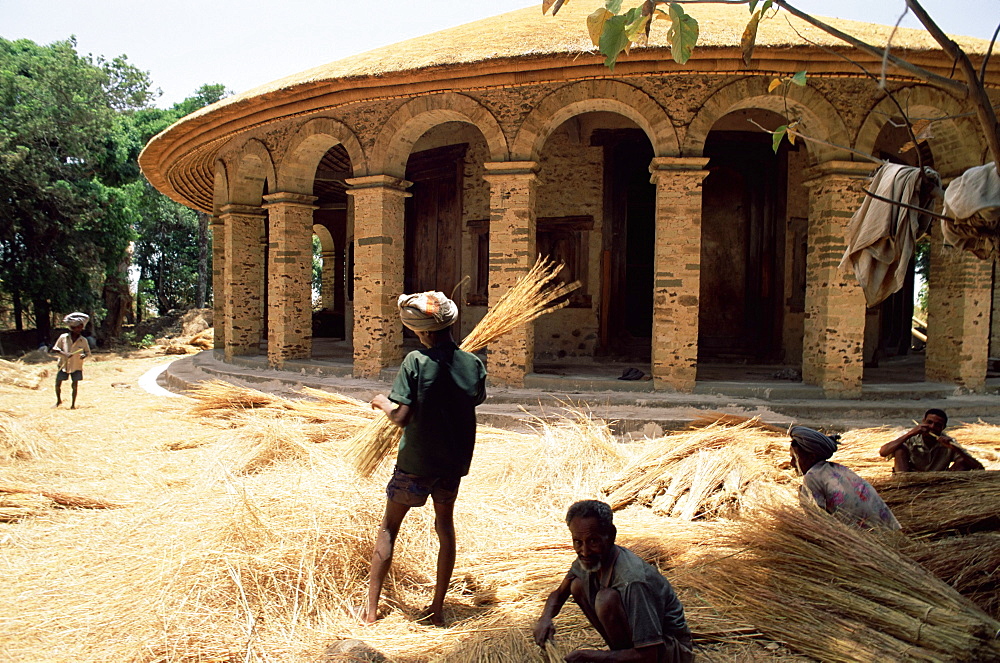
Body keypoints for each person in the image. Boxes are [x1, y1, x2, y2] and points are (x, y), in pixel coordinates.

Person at [363, 291, 486, 627]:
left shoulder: (416, 361)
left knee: (389, 527)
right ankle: (437, 609)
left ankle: (371, 612)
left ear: (421, 332)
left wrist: (380, 401)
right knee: (445, 527)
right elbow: (472, 398)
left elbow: (402, 416)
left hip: (416, 462)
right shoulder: (473, 363)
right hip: (452, 464)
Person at [534, 500, 693, 663]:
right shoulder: (588, 558)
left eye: (593, 541)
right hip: (646, 650)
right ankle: (620, 653)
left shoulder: (632, 581)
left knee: (606, 599)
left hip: (670, 653)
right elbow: (560, 593)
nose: (585, 551)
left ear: (610, 535)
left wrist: (591, 657)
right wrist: (545, 619)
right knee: (577, 585)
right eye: (578, 542)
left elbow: (649, 655)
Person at [790, 426, 901, 531]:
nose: (792, 463)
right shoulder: (839, 469)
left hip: (864, 537)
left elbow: (816, 522)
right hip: (888, 531)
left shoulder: (812, 477)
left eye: (795, 458)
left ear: (812, 457)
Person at [878, 409, 983, 473]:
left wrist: (954, 448)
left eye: (937, 425)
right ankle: (902, 484)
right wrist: (910, 434)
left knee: (962, 461)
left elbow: (979, 468)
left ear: (943, 428)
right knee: (899, 449)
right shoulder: (911, 436)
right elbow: (883, 452)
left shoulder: (948, 442)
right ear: (923, 422)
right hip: (910, 479)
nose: (932, 427)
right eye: (929, 422)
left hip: (937, 481)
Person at [50, 312, 91, 409]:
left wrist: (83, 356)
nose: (79, 329)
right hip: (63, 365)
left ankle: (73, 404)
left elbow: (88, 352)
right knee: (58, 383)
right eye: (77, 327)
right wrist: (64, 354)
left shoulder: (83, 340)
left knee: (75, 385)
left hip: (76, 365)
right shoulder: (63, 337)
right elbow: (55, 349)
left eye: (81, 327)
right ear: (72, 328)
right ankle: (58, 401)